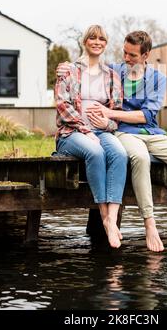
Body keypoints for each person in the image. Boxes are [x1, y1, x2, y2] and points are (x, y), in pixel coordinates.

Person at [57, 31, 167, 253]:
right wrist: (64, 66)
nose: (126, 58)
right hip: (124, 133)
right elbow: (88, 64)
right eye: (124, 52)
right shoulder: (115, 71)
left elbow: (147, 116)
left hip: (153, 132)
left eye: (132, 55)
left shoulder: (157, 78)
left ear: (146, 55)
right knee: (140, 158)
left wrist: (109, 113)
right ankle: (149, 224)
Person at [54, 25, 128, 249]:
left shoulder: (112, 76)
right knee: (95, 152)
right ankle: (104, 218)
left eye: (102, 39)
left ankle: (112, 219)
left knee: (119, 153)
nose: (97, 42)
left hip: (101, 131)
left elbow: (118, 111)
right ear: (85, 41)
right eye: (93, 38)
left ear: (106, 44)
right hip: (71, 133)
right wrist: (85, 130)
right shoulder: (68, 70)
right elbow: (62, 105)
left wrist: (108, 123)